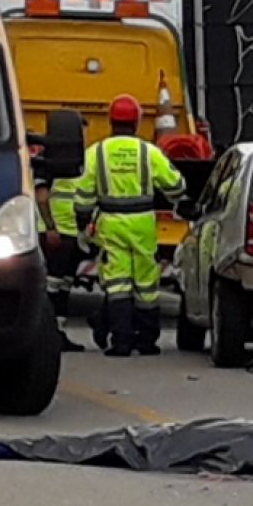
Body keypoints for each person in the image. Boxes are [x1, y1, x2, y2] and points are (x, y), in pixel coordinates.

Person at [74, 94, 187, 356]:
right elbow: (175, 185)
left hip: (110, 223)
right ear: (137, 122)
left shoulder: (96, 153)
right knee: (146, 283)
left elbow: (83, 198)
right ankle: (147, 341)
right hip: (143, 222)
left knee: (117, 284)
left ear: (111, 121)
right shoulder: (149, 152)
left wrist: (83, 227)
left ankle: (121, 342)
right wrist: (178, 199)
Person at [35, 172, 87, 352]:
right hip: (57, 234)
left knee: (65, 286)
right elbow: (41, 198)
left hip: (74, 235)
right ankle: (46, 335)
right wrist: (50, 228)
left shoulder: (82, 165)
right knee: (52, 287)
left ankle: (59, 334)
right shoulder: (52, 166)